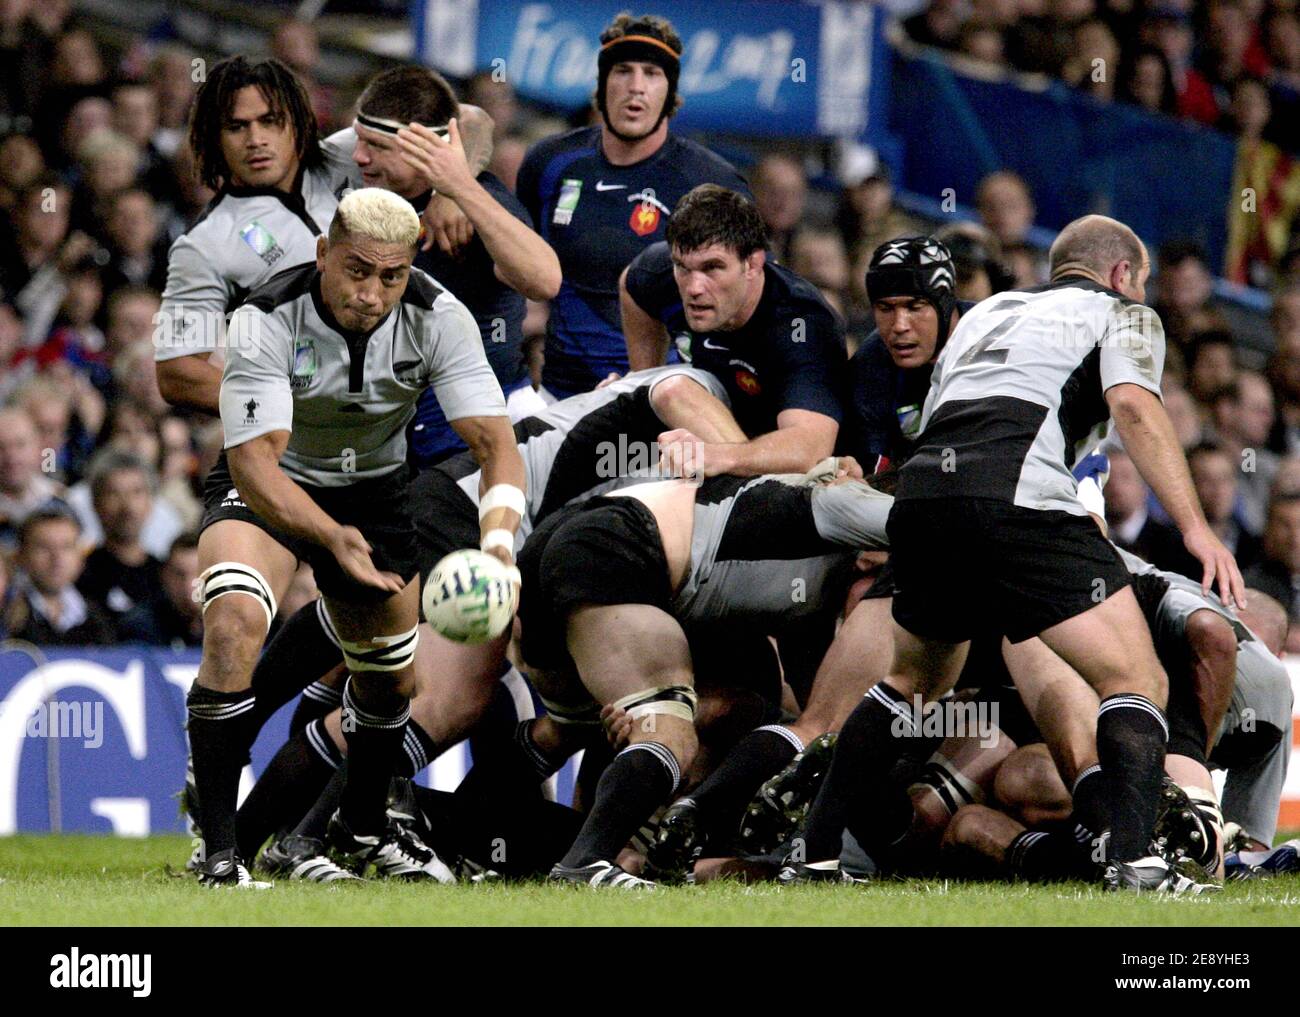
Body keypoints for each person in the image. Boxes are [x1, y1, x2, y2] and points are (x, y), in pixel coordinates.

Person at [782, 214, 1244, 893]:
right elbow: (1136, 407)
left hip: (927, 495)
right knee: (1136, 677)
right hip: (1019, 492)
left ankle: (813, 853)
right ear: (1123, 275)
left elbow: (941, 412)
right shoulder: (1122, 312)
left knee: (911, 682)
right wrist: (1197, 527)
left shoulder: (985, 311)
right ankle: (1137, 862)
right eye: (1139, 284)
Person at [201, 187, 525, 887]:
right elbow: (254, 462)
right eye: (356, 269)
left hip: (376, 491)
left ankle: (362, 826)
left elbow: (497, 445)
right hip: (268, 478)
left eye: (392, 275)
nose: (372, 292)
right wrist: (329, 536)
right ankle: (220, 853)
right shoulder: (263, 319)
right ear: (323, 255)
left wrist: (498, 545)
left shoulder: (440, 317)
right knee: (233, 619)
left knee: (390, 681)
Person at [516, 463, 892, 887]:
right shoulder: (840, 504)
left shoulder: (806, 605)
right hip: (615, 542)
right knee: (666, 731)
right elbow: (940, 522)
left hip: (563, 549)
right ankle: (583, 863)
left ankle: (458, 840)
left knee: (575, 728)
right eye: (888, 578)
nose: (885, 595)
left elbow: (815, 715)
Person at [515, 12, 750, 400]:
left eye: (652, 73)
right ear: (602, 84)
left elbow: (752, 294)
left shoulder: (712, 181)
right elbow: (509, 262)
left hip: (669, 398)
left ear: (670, 94)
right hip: (558, 394)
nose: (636, 87)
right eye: (623, 71)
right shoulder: (549, 163)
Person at [343, 64, 559, 464]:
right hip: (387, 421)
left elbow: (543, 280)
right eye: (360, 141)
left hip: (476, 426)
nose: (358, 156)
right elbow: (474, 117)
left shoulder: (480, 206)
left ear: (425, 145)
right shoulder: (372, 168)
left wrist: (458, 187)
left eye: (376, 147)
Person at [621, 184, 845, 474]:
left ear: (752, 263)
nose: (694, 288)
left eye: (712, 268)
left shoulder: (802, 325)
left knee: (673, 390)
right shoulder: (661, 270)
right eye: (683, 268)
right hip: (694, 440)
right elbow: (632, 284)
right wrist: (643, 373)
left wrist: (719, 458)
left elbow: (809, 451)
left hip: (774, 465)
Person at [3, 507, 116, 645]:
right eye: (43, 547)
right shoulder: (6, 613)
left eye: (66, 547)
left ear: (80, 557)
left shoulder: (97, 616)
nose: (57, 558)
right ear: (20, 556)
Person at [77, 449, 163, 622]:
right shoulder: (80, 575)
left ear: (151, 502)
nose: (127, 507)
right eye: (114, 493)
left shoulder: (166, 575)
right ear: (95, 503)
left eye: (137, 492)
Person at [119, 531, 205, 647]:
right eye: (179, 575)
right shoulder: (141, 626)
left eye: (198, 574)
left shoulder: (230, 625)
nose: (189, 585)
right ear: (164, 576)